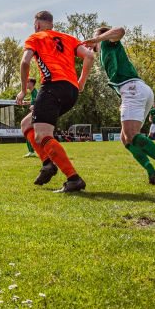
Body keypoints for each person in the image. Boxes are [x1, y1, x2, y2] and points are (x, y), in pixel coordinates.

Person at [83, 27, 155, 188]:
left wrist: (97, 39)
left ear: (101, 35)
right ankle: (152, 173)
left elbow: (120, 31)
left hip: (134, 90)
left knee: (131, 134)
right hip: (136, 90)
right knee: (125, 139)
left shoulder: (108, 42)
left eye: (94, 36)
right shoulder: (103, 50)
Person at [16, 10, 93, 193]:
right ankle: (47, 164)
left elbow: (25, 62)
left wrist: (22, 90)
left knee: (42, 135)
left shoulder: (35, 37)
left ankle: (73, 178)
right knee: (26, 124)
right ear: (51, 23)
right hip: (71, 91)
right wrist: (80, 82)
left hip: (53, 87)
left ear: (37, 24)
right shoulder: (68, 38)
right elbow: (89, 56)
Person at [22, 78, 39, 158]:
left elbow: (40, 102)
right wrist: (28, 103)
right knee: (31, 132)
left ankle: (31, 151)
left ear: (32, 83)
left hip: (36, 114)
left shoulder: (35, 92)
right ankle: (32, 150)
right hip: (35, 113)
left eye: (27, 82)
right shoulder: (33, 93)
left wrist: (34, 106)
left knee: (27, 130)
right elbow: (35, 101)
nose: (26, 84)